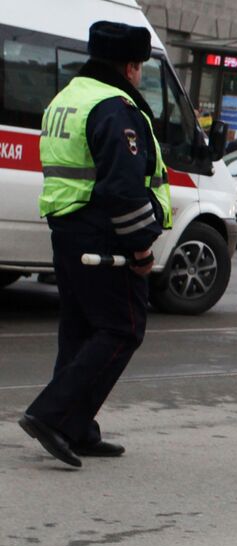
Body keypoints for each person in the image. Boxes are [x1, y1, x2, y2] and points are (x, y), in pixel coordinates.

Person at [19, 21, 170, 469]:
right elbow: (123, 188)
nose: (140, 75)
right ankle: (53, 416)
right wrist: (142, 247)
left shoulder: (67, 98)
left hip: (66, 228)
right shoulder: (114, 106)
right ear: (130, 67)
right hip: (103, 233)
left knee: (80, 330)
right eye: (140, 68)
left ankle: (79, 428)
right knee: (123, 328)